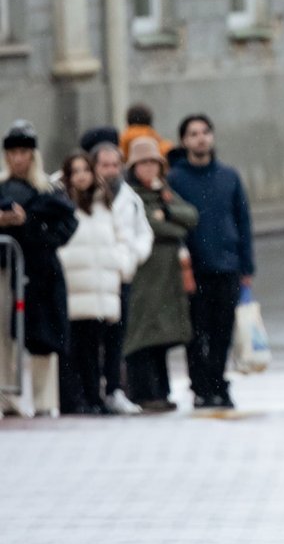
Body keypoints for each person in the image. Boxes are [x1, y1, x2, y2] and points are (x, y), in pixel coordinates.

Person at [168, 114, 255, 410]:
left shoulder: (228, 176)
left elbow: (243, 221)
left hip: (227, 266)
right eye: (193, 134)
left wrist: (247, 267)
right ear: (184, 141)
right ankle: (200, 388)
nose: (200, 138)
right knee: (195, 333)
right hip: (193, 270)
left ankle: (220, 385)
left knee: (222, 332)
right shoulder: (175, 179)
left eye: (205, 132)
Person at [0, 121, 77, 416]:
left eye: (23, 151)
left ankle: (45, 400)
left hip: (42, 272)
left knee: (44, 337)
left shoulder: (48, 190)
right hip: (6, 270)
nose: (18, 158)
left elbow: (66, 227)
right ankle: (7, 397)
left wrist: (29, 224)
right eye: (12, 152)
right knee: (3, 336)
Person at [57, 151, 137, 415]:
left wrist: (121, 266)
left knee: (96, 345)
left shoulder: (105, 204)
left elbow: (122, 239)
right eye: (75, 171)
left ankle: (96, 396)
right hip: (75, 287)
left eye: (85, 170)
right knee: (77, 348)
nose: (81, 176)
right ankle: (80, 398)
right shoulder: (61, 204)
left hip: (102, 287)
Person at [123, 137, 198, 413]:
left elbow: (190, 216)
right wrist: (172, 224)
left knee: (162, 338)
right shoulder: (131, 195)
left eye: (153, 162)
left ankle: (161, 392)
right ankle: (143, 393)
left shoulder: (164, 192)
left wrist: (167, 212)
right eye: (143, 163)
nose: (149, 168)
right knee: (142, 336)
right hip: (145, 276)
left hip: (167, 278)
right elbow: (159, 228)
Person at [90, 140, 153, 413]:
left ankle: (114, 389)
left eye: (115, 165)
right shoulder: (85, 196)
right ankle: (91, 391)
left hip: (121, 277)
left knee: (117, 338)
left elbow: (143, 234)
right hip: (92, 278)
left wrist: (131, 259)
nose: (111, 170)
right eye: (105, 165)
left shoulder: (130, 199)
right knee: (90, 339)